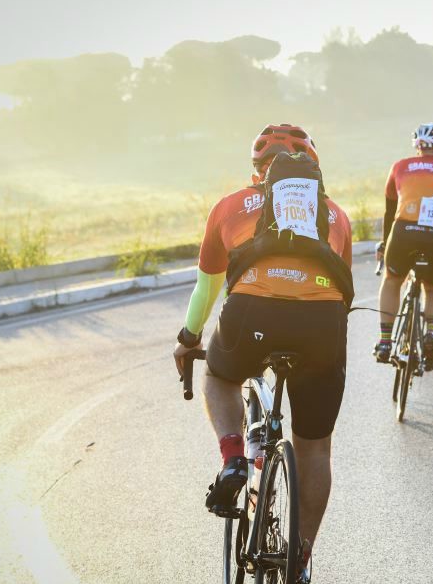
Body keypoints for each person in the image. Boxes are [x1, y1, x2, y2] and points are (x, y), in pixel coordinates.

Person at [172, 123, 352, 583]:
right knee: (315, 449)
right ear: (312, 169)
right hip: (322, 323)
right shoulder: (335, 215)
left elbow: (207, 287)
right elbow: (342, 291)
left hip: (251, 315)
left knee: (219, 374)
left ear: (257, 170)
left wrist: (189, 338)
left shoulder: (229, 206)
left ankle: (234, 457)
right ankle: (300, 559)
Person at [374, 122, 433, 370]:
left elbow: (389, 212)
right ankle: (431, 332)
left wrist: (385, 246)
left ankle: (385, 341)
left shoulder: (400, 166)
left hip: (405, 231)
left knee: (393, 279)